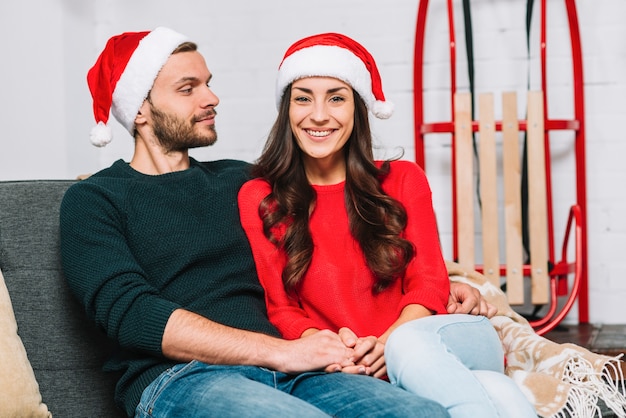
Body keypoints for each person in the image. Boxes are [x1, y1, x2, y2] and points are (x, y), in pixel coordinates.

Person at [59, 27, 466, 418]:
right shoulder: (95, 200)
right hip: (182, 378)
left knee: (420, 412)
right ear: (140, 110)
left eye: (208, 83)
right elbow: (133, 316)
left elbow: (342, 227)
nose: (211, 98)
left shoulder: (245, 182)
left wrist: (452, 286)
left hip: (291, 371)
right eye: (188, 89)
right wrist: (283, 352)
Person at [238, 33, 537, 418]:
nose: (318, 115)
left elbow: (429, 282)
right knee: (501, 395)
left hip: (439, 337)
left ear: (358, 109)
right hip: (355, 363)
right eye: (303, 97)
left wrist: (388, 343)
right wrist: (331, 348)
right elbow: (282, 308)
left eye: (336, 98)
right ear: (287, 109)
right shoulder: (260, 197)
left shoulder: (403, 179)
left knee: (410, 348)